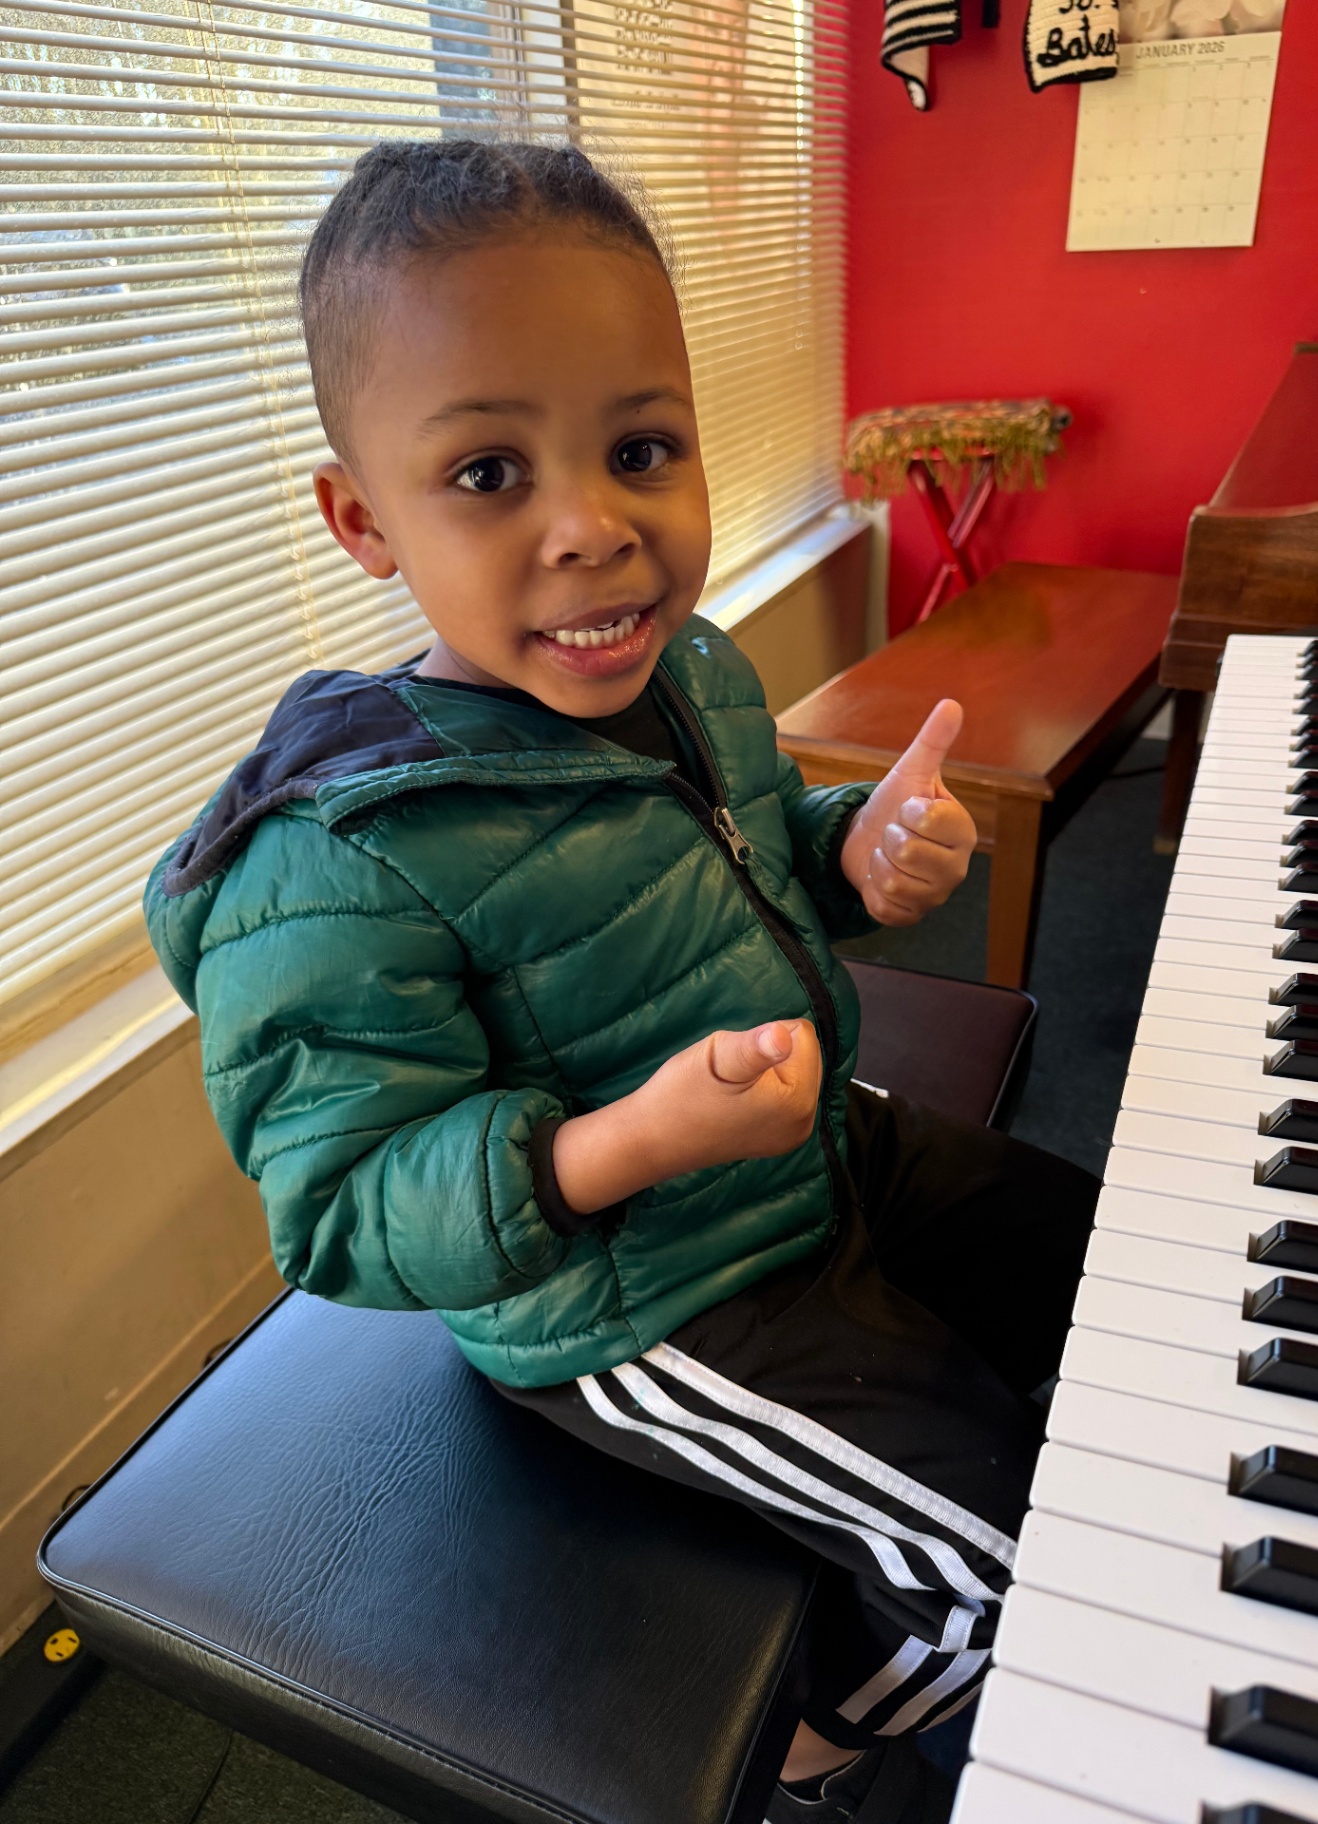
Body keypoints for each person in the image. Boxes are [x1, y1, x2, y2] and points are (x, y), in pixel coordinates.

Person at [145, 139, 1098, 1824]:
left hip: (814, 1153)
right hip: (636, 1298)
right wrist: (633, 1143)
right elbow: (343, 1214)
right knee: (1016, 1571)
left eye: (640, 449)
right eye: (489, 472)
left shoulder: (691, 670)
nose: (596, 528)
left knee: (1122, 1278)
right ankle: (818, 1751)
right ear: (363, 520)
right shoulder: (337, 857)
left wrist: (861, 856)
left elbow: (745, 858)